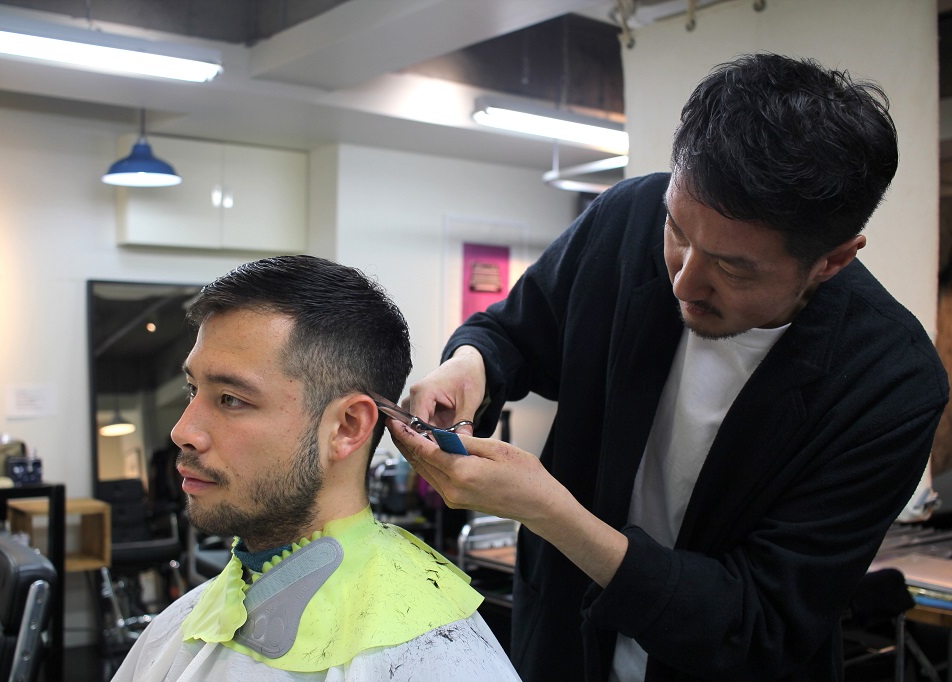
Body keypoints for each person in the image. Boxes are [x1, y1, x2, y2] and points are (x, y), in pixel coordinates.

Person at [387, 53, 950, 682]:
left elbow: (759, 620)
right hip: (564, 650)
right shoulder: (628, 218)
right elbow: (512, 332)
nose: (684, 280)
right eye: (677, 231)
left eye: (734, 268)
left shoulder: (889, 382)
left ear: (832, 261)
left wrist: (551, 512)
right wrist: (471, 367)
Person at [112, 255, 520, 681]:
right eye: (192, 389)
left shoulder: (442, 658)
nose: (182, 431)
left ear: (347, 427)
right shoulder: (179, 624)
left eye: (231, 399)